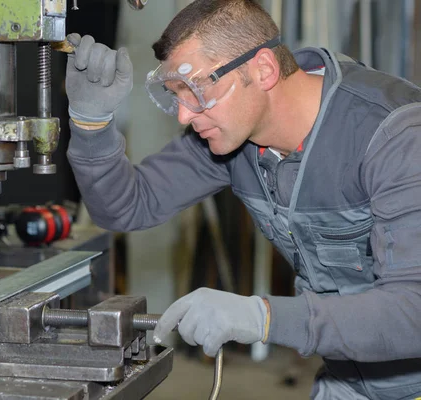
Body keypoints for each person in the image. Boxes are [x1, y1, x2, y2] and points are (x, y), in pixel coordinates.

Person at [63, 0, 421, 398]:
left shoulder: (396, 136)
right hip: (348, 378)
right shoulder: (235, 139)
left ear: (263, 69)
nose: (183, 116)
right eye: (176, 95)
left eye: (197, 89)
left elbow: (413, 311)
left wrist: (263, 317)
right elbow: (126, 206)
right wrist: (90, 123)